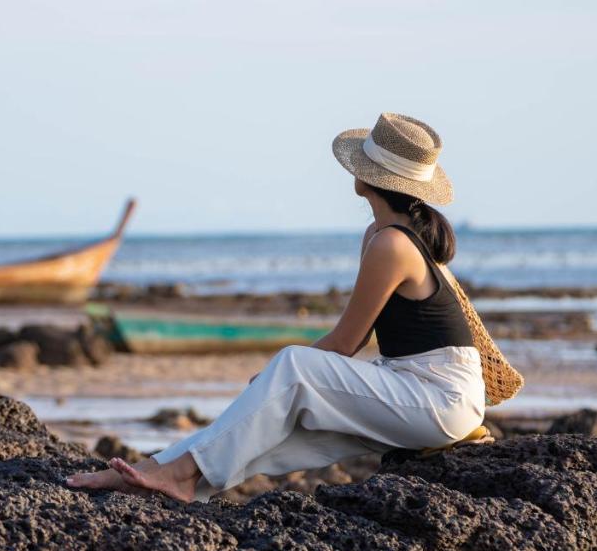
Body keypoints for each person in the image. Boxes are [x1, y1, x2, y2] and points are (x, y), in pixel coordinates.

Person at [68, 112, 486, 502]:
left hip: (438, 399)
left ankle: (176, 474)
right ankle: (150, 476)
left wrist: (274, 375)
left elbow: (346, 342)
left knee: (290, 368)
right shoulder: (386, 235)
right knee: (272, 424)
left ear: (369, 177)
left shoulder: (392, 243)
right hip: (418, 389)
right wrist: (271, 385)